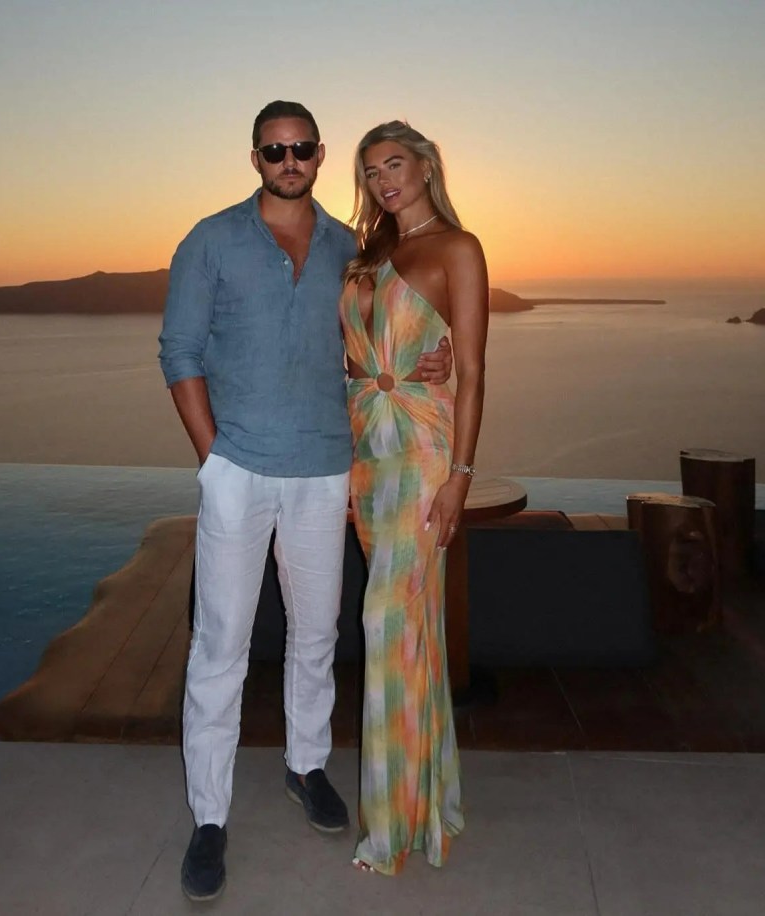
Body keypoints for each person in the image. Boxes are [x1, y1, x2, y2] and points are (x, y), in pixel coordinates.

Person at [158, 101, 453, 902]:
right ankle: (210, 817)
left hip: (327, 471)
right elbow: (178, 350)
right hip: (239, 471)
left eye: (302, 148)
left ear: (320, 156)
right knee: (219, 644)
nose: (288, 159)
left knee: (316, 635)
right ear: (255, 157)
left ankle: (306, 766)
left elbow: (385, 332)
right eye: (273, 149)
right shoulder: (210, 240)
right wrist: (212, 456)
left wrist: (434, 358)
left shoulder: (349, 249)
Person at [339, 121, 489, 875]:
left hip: (425, 457)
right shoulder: (367, 254)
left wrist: (462, 475)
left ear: (427, 165)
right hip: (369, 457)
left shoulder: (458, 249)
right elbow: (351, 358)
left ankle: (389, 825)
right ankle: (429, 803)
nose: (383, 180)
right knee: (411, 633)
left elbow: (472, 370)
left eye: (395, 164)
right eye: (371, 172)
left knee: (382, 620)